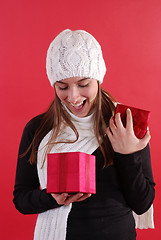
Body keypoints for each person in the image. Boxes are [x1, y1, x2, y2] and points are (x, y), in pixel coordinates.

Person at [13, 29, 155, 240]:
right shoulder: (38, 129)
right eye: (62, 86)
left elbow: (142, 203)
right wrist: (51, 198)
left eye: (83, 84)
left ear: (98, 79)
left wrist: (128, 154)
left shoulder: (123, 122)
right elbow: (22, 199)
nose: (73, 96)